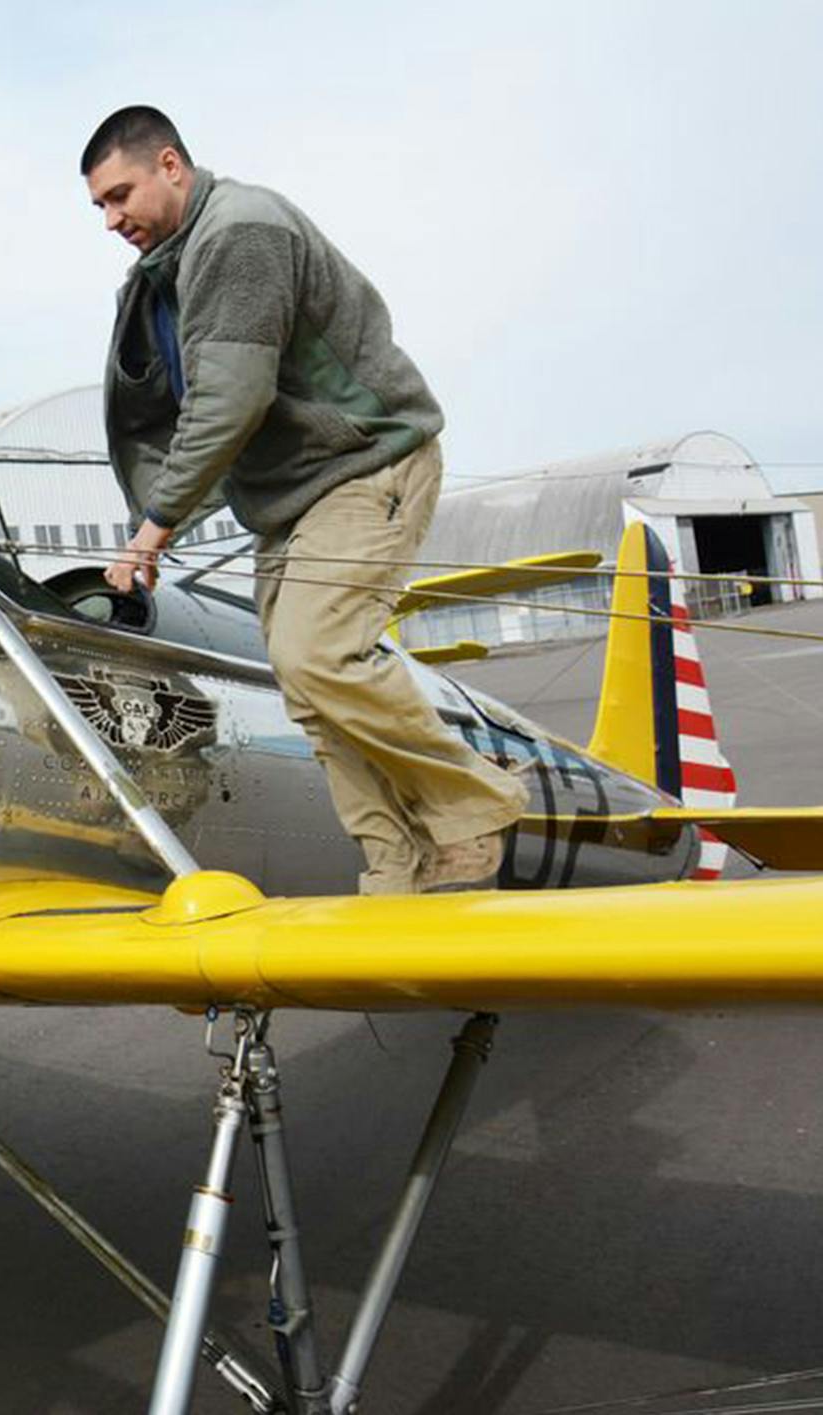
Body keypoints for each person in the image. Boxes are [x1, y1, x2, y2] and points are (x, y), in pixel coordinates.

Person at [82, 105, 525, 894]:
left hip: (366, 464)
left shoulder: (241, 232)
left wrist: (153, 528)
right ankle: (399, 860)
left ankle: (477, 800)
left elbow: (230, 400)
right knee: (305, 684)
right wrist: (168, 505)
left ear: (172, 166)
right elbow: (177, 408)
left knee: (320, 654)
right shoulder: (166, 277)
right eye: (100, 207)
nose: (111, 219)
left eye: (121, 195)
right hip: (290, 499)